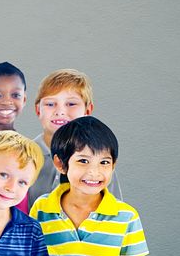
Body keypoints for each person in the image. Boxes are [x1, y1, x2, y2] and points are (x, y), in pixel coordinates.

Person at [30, 117, 147, 256]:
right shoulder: (41, 209)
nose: (94, 172)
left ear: (113, 165)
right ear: (60, 164)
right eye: (83, 161)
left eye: (104, 162)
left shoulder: (127, 217)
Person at [29, 69, 121, 206]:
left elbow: (115, 211)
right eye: (50, 104)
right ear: (38, 110)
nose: (60, 112)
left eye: (71, 104)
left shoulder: (100, 163)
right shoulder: (23, 156)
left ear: (87, 111)